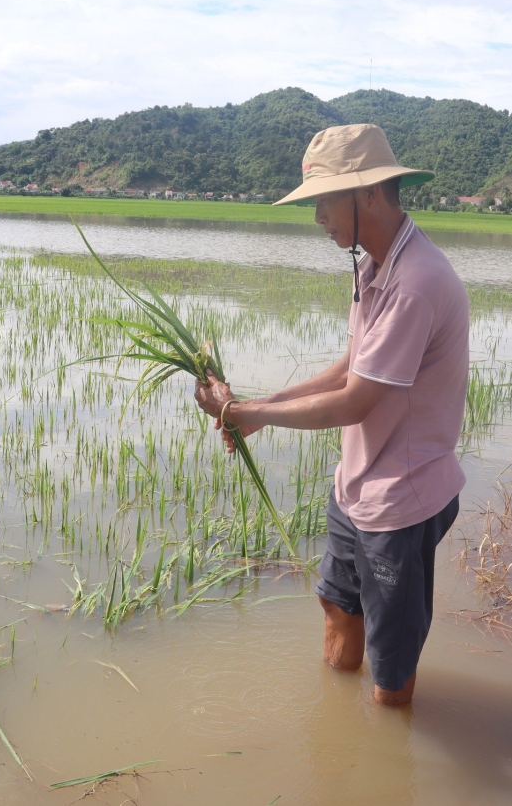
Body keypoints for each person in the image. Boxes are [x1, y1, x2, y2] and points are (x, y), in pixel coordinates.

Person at [194, 124, 469, 707]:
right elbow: (351, 368)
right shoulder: (374, 265)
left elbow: (354, 401)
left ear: (368, 193)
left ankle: (387, 742)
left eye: (323, 200)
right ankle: (341, 738)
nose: (317, 215)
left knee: (390, 662)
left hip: (401, 499)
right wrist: (255, 409)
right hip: (358, 486)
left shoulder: (416, 282)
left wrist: (247, 413)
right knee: (336, 603)